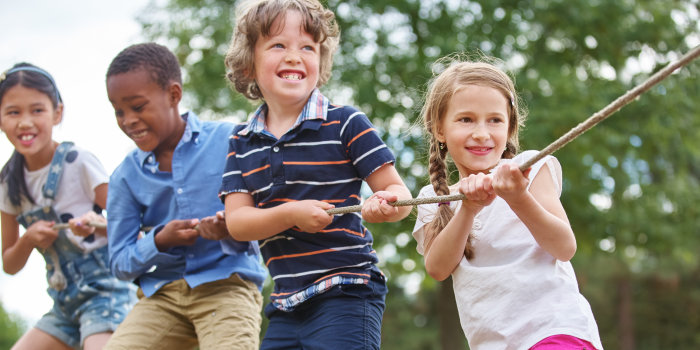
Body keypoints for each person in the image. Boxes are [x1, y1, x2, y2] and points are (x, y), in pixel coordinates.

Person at [219, 0, 412, 348]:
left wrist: (387, 203)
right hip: (285, 302)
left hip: (347, 289)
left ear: (320, 61)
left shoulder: (345, 123)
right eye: (278, 45)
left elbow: (401, 196)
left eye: (307, 47)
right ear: (248, 63)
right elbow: (238, 222)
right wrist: (291, 214)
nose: (294, 56)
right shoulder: (241, 141)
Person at [412, 56, 604, 350]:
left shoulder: (529, 168)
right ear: (439, 129)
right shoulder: (434, 197)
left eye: (495, 120)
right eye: (466, 119)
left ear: (510, 127)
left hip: (555, 330)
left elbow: (564, 247)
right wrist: (469, 209)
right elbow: (438, 268)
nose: (481, 133)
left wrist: (518, 198)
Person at [103, 42, 267, 350]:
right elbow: (119, 262)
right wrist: (159, 241)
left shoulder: (231, 141)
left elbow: (266, 220)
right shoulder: (125, 176)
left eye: (138, 107)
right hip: (162, 296)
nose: (128, 120)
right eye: (119, 112)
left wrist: (230, 229)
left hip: (227, 286)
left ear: (174, 95)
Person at [0, 63, 136, 350]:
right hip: (63, 304)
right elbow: (10, 264)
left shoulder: (78, 162)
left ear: (57, 113)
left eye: (37, 110)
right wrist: (28, 240)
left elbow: (133, 226)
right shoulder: (9, 184)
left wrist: (98, 225)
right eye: (13, 112)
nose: (25, 122)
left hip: (106, 292)